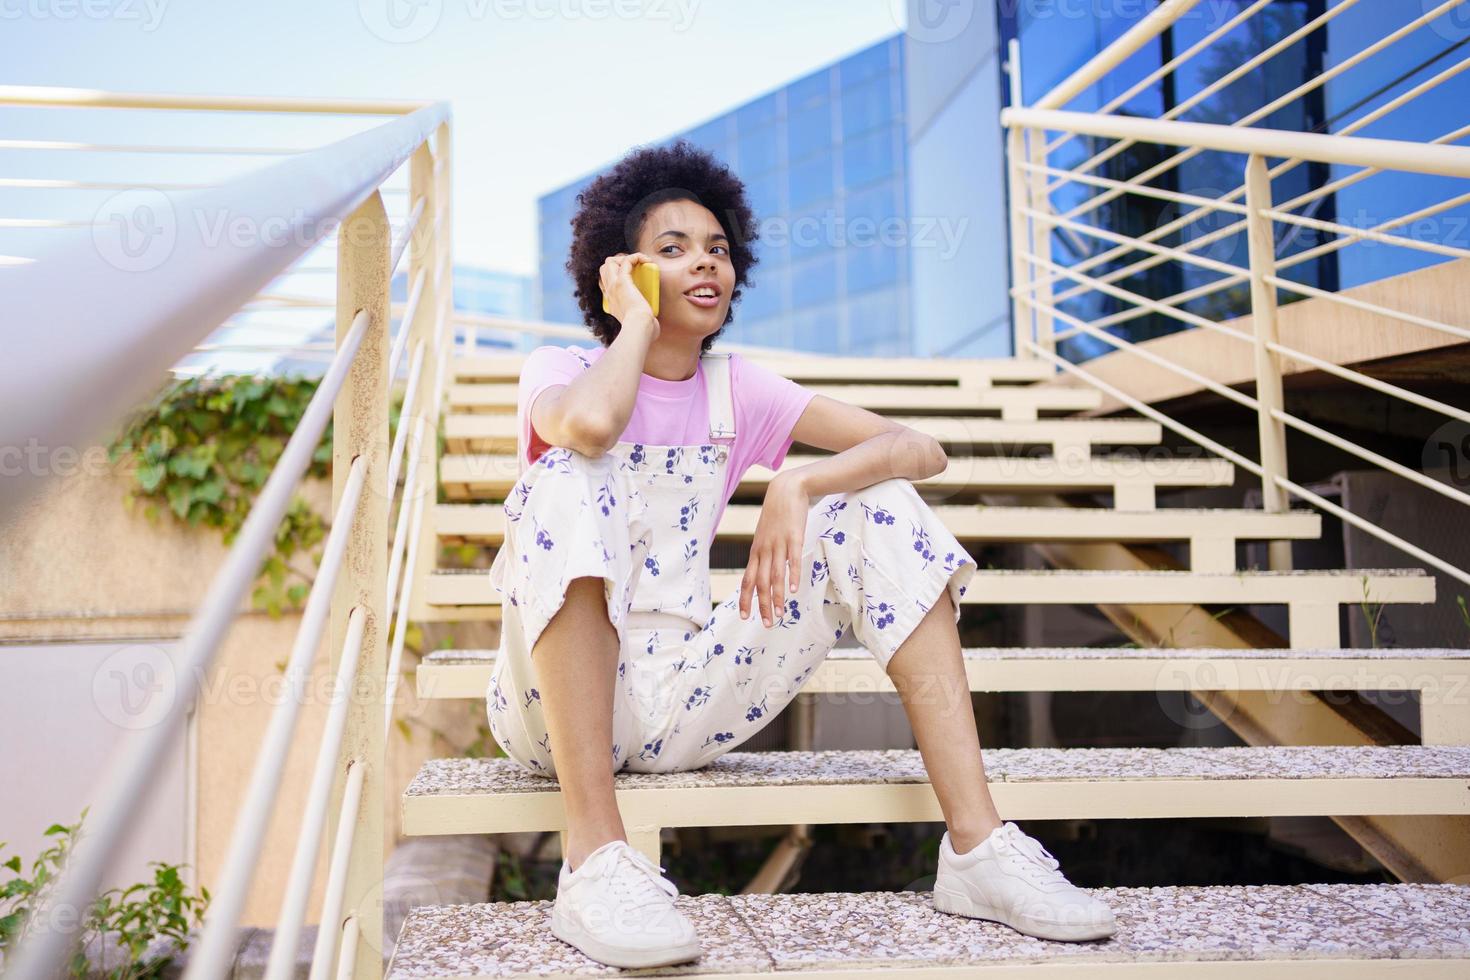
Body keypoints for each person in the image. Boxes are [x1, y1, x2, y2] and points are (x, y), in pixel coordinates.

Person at [486, 139, 1116, 969]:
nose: (705, 264)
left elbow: (918, 447)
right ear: (622, 271)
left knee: (878, 500)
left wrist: (802, 486)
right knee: (570, 471)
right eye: (671, 251)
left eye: (717, 248)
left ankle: (978, 847)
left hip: (682, 696)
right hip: (548, 713)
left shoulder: (736, 389)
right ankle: (595, 860)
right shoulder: (561, 370)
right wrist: (633, 323)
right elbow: (594, 427)